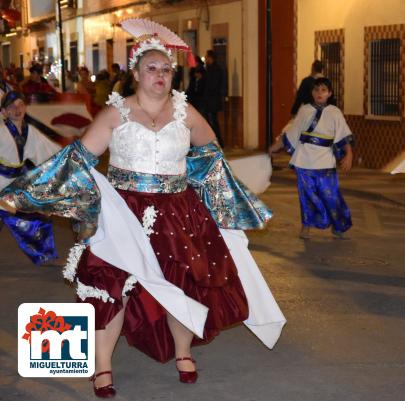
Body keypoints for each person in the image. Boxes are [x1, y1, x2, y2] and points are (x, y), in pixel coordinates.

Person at [0, 21, 285, 398]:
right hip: (123, 211)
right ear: (135, 74)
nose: (160, 75)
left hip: (177, 212)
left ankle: (183, 353)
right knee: (109, 286)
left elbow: (212, 156)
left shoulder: (187, 113)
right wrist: (31, 191)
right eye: (152, 68)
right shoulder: (116, 113)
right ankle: (102, 366)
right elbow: (81, 158)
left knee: (179, 283)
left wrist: (216, 198)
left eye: (166, 69)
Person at [269, 77, 353, 239]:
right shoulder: (304, 110)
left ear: (330, 93)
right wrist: (275, 147)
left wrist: (349, 154)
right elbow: (293, 133)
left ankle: (338, 225)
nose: (319, 93)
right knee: (306, 195)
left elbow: (344, 135)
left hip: (325, 160)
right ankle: (306, 226)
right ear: (312, 93)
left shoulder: (335, 112)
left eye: (323, 90)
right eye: (316, 90)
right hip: (304, 160)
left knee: (331, 195)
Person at [0, 91, 61, 265]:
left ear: (26, 107)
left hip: (14, 185)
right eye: (11, 106)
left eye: (20, 104)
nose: (17, 109)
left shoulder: (29, 131)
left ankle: (44, 254)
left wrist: (69, 155)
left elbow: (48, 150)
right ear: (4, 112)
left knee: (36, 216)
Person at [201, 49, 226, 147]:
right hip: (211, 100)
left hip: (212, 101)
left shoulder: (214, 69)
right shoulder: (211, 69)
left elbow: (212, 86)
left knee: (213, 122)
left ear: (211, 58)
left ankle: (218, 141)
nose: (205, 59)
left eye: (207, 57)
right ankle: (215, 141)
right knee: (211, 121)